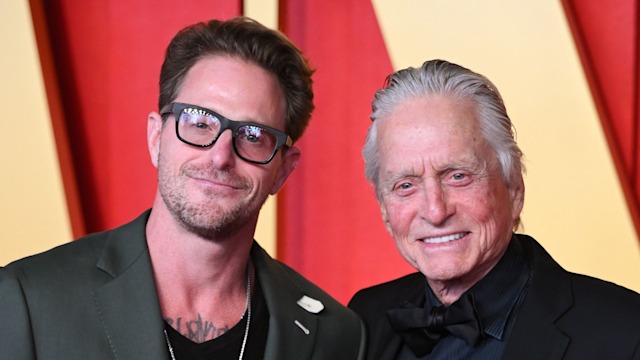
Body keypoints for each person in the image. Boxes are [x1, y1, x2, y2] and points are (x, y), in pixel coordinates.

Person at [0, 17, 365, 360]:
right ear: (156, 137)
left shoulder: (336, 335)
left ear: (283, 170)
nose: (221, 156)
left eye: (253, 136)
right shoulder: (28, 300)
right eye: (199, 122)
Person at [348, 59, 640, 359]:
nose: (435, 212)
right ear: (384, 209)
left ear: (514, 188)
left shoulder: (627, 334)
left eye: (458, 176)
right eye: (406, 185)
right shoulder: (361, 322)